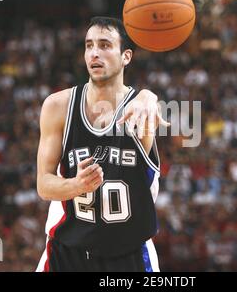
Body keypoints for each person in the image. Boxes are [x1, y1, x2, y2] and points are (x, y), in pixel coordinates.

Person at [35, 16, 168, 272]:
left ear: (126, 56)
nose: (94, 53)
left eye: (105, 45)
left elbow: (148, 114)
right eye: (89, 45)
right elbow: (44, 185)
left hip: (128, 256)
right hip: (67, 253)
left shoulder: (141, 110)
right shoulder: (57, 106)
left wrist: (148, 96)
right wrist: (76, 185)